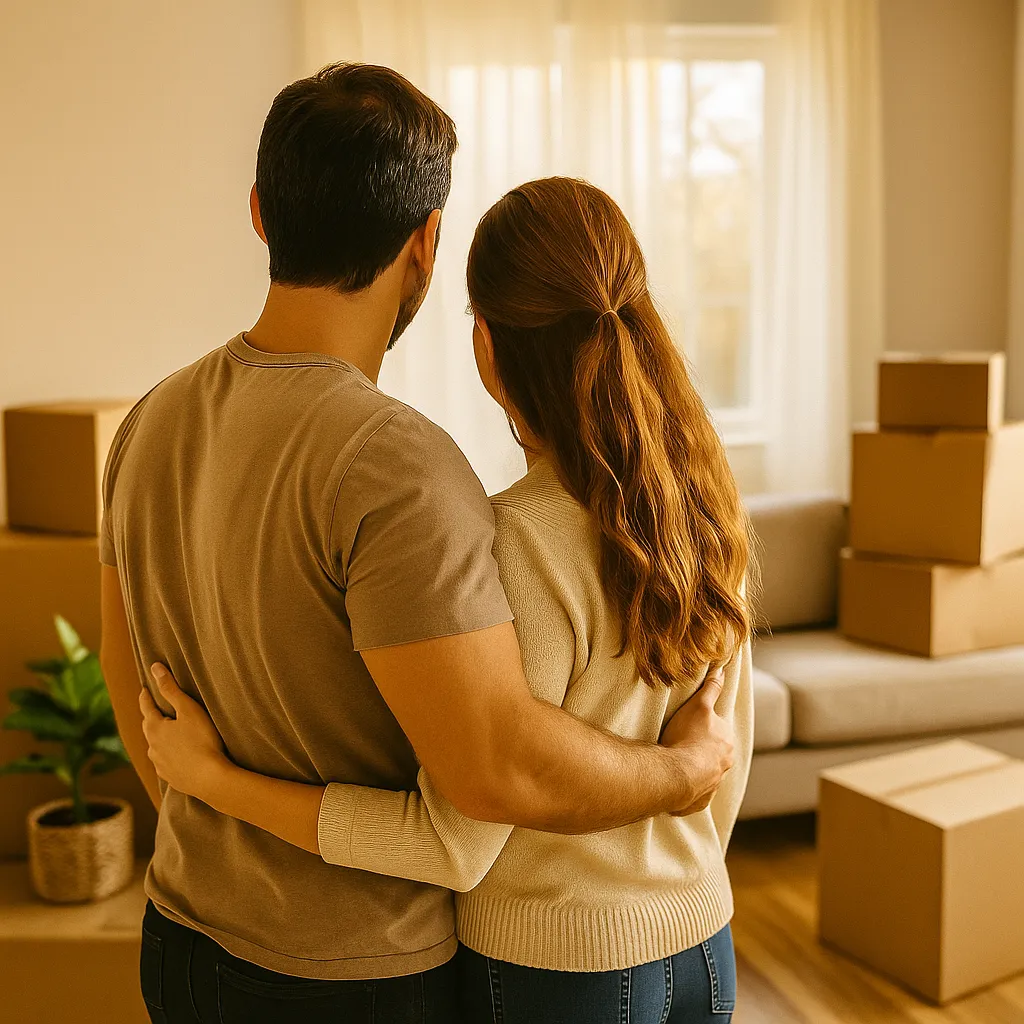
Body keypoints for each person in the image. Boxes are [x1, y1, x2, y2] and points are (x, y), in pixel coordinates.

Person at [99, 64, 737, 1024]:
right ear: (427, 242)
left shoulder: (147, 421)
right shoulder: (401, 464)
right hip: (353, 972)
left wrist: (209, 809)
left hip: (182, 935)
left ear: (261, 213)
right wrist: (685, 774)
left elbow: (128, 679)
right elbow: (493, 771)